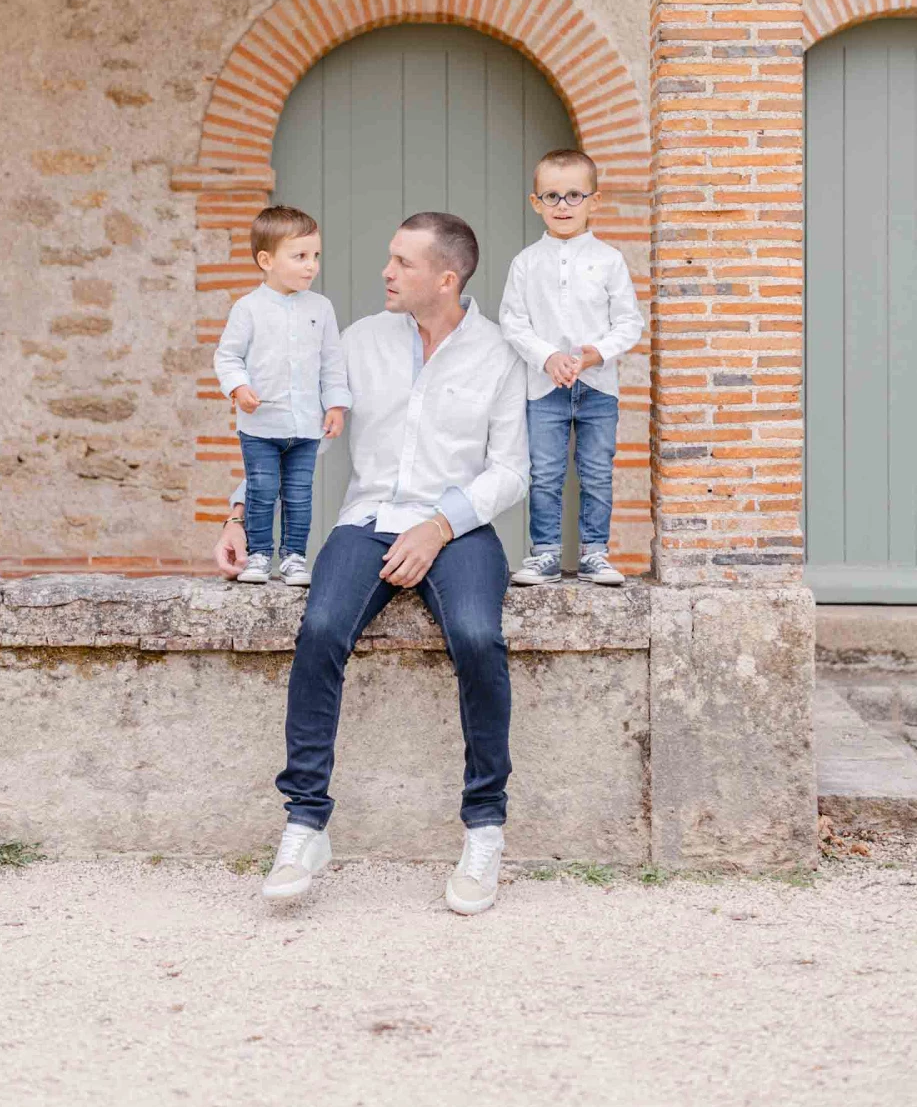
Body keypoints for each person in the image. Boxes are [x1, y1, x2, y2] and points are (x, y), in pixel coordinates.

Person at [215, 211, 529, 917]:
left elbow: (512, 471)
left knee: (478, 639)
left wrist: (441, 526)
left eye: (402, 263)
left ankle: (485, 829)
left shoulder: (499, 356)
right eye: (389, 259)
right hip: (366, 522)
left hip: (460, 528)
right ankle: (303, 825)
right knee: (322, 628)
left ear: (445, 280)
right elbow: (305, 436)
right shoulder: (357, 343)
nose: (385, 272)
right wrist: (239, 515)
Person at [499, 148, 644, 588]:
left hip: (598, 387)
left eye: (574, 196)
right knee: (545, 473)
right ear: (535, 202)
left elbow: (629, 322)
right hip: (545, 389)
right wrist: (548, 357)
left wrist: (596, 352)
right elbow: (512, 321)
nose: (563, 206)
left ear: (593, 202)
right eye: (552, 196)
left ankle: (594, 553)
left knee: (597, 471)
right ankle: (544, 553)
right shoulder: (526, 263)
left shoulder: (609, 260)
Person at [213, 206, 350, 587]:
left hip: (306, 425)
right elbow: (227, 356)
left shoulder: (321, 309)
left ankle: (293, 557)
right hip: (261, 425)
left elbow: (331, 362)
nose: (312, 266)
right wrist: (239, 387)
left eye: (316, 256)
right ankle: (258, 554)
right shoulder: (248, 309)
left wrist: (336, 404)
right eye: (300, 256)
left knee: (299, 495)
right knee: (261, 489)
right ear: (266, 260)